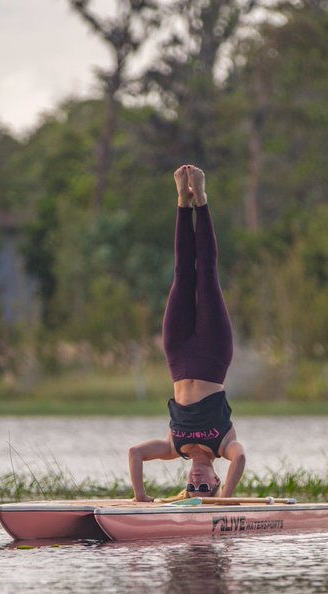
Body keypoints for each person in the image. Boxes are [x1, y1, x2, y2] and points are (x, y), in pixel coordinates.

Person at [128, 165, 246, 502]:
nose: (196, 483)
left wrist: (140, 496)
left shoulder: (173, 446)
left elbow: (135, 453)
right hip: (213, 353)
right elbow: (241, 458)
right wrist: (224, 499)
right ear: (216, 478)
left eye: (192, 488)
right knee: (206, 273)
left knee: (182, 274)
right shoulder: (224, 445)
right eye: (205, 486)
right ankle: (202, 199)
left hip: (177, 354)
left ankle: (182, 201)